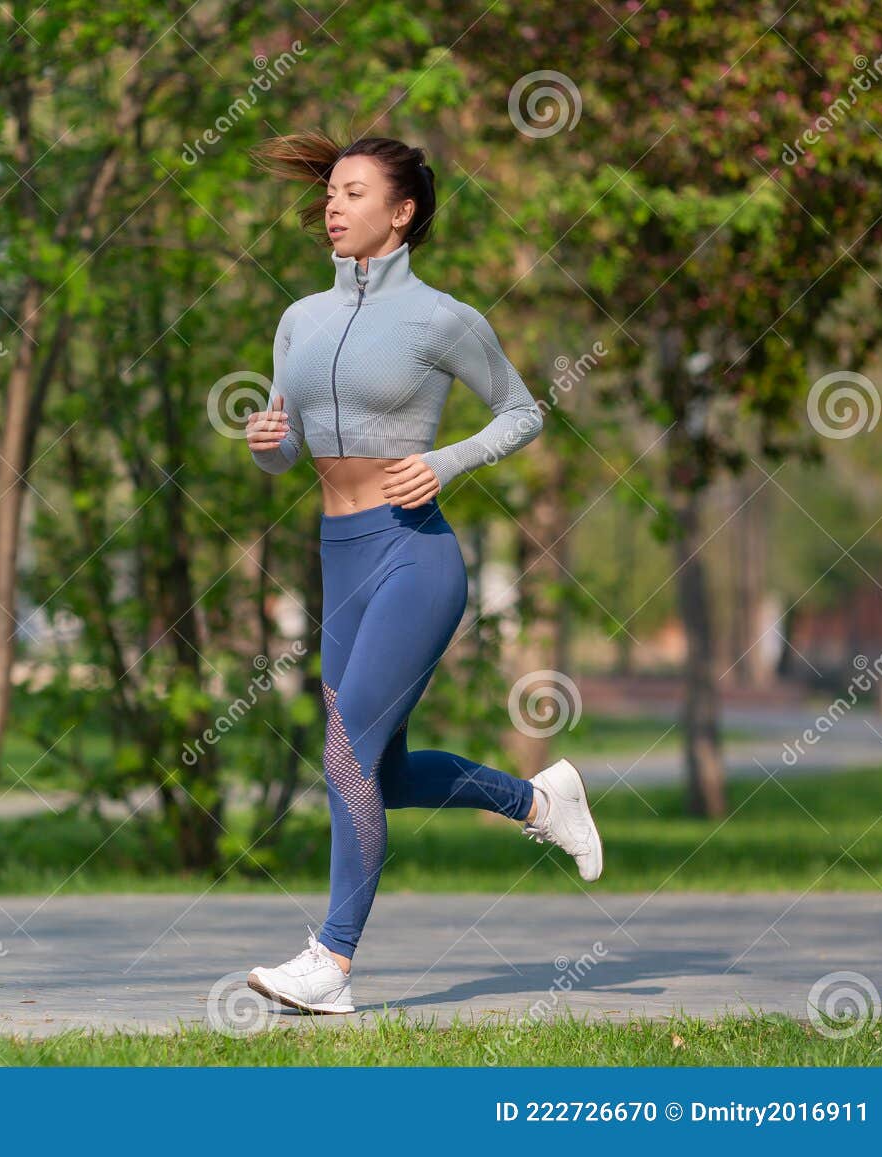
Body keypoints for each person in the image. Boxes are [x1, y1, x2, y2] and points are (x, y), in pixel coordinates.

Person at [240, 133, 603, 1016]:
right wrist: (270, 445)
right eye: (330, 191)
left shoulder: (443, 318)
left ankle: (331, 961)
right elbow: (294, 452)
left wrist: (447, 462)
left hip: (415, 552)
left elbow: (522, 413)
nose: (333, 204)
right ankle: (539, 800)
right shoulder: (299, 318)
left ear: (401, 213)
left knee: (342, 754)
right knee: (379, 770)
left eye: (353, 192)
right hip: (340, 559)